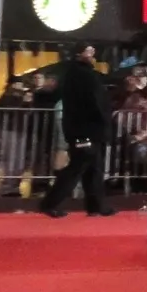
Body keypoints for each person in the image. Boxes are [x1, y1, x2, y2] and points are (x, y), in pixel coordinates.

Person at [40, 43, 114, 218]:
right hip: (86, 128)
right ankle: (50, 203)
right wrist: (104, 120)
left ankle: (96, 206)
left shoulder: (76, 73)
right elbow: (94, 102)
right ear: (79, 54)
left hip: (84, 128)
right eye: (89, 51)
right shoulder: (82, 75)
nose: (93, 53)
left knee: (93, 168)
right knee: (77, 167)